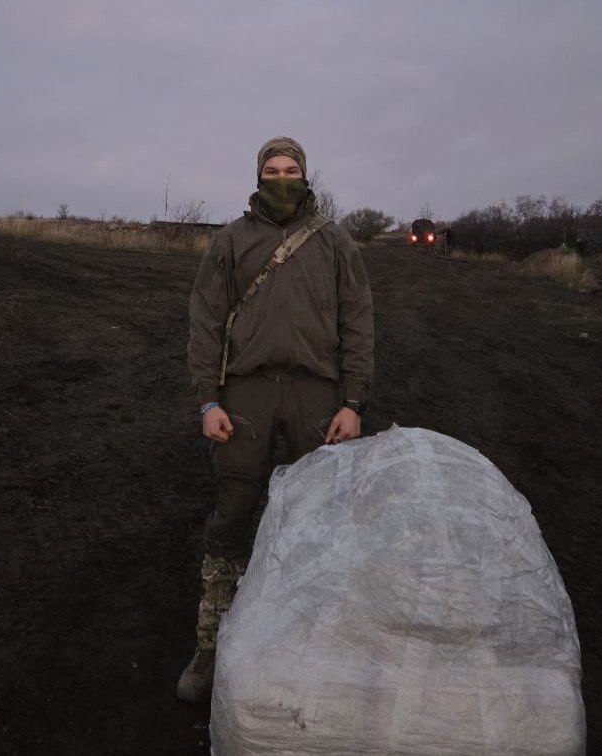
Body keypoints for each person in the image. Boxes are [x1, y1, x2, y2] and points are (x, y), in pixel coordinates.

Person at [178, 136, 375, 703]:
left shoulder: (336, 243)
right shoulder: (231, 240)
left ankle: (314, 644)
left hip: (318, 398)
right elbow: (205, 323)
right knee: (234, 514)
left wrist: (353, 402)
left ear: (307, 175)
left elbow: (359, 325)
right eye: (273, 170)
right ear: (258, 176)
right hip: (247, 395)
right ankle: (211, 646)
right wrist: (208, 401)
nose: (283, 178)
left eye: (292, 170)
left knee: (318, 518)